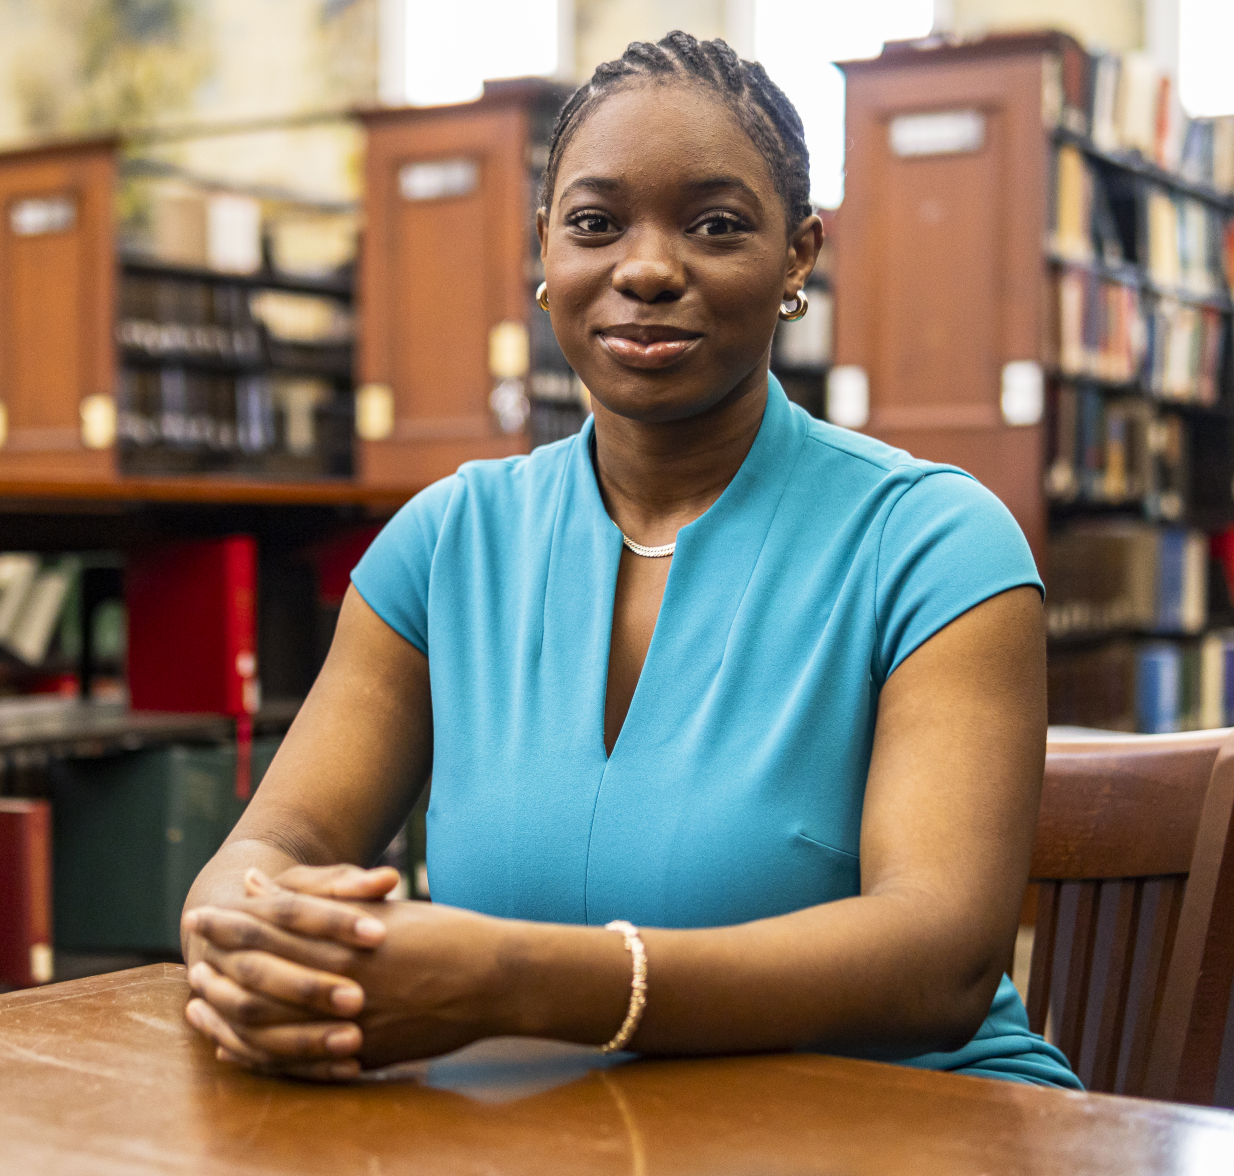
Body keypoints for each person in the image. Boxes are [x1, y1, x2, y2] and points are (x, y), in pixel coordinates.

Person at [179, 30, 1081, 1090]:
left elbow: (940, 965)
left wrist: (516, 984)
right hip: (549, 1130)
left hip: (903, 1127)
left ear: (798, 255)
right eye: (597, 224)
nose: (646, 269)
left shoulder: (935, 542)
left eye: (715, 224)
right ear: (545, 253)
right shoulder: (443, 542)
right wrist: (249, 937)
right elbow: (274, 844)